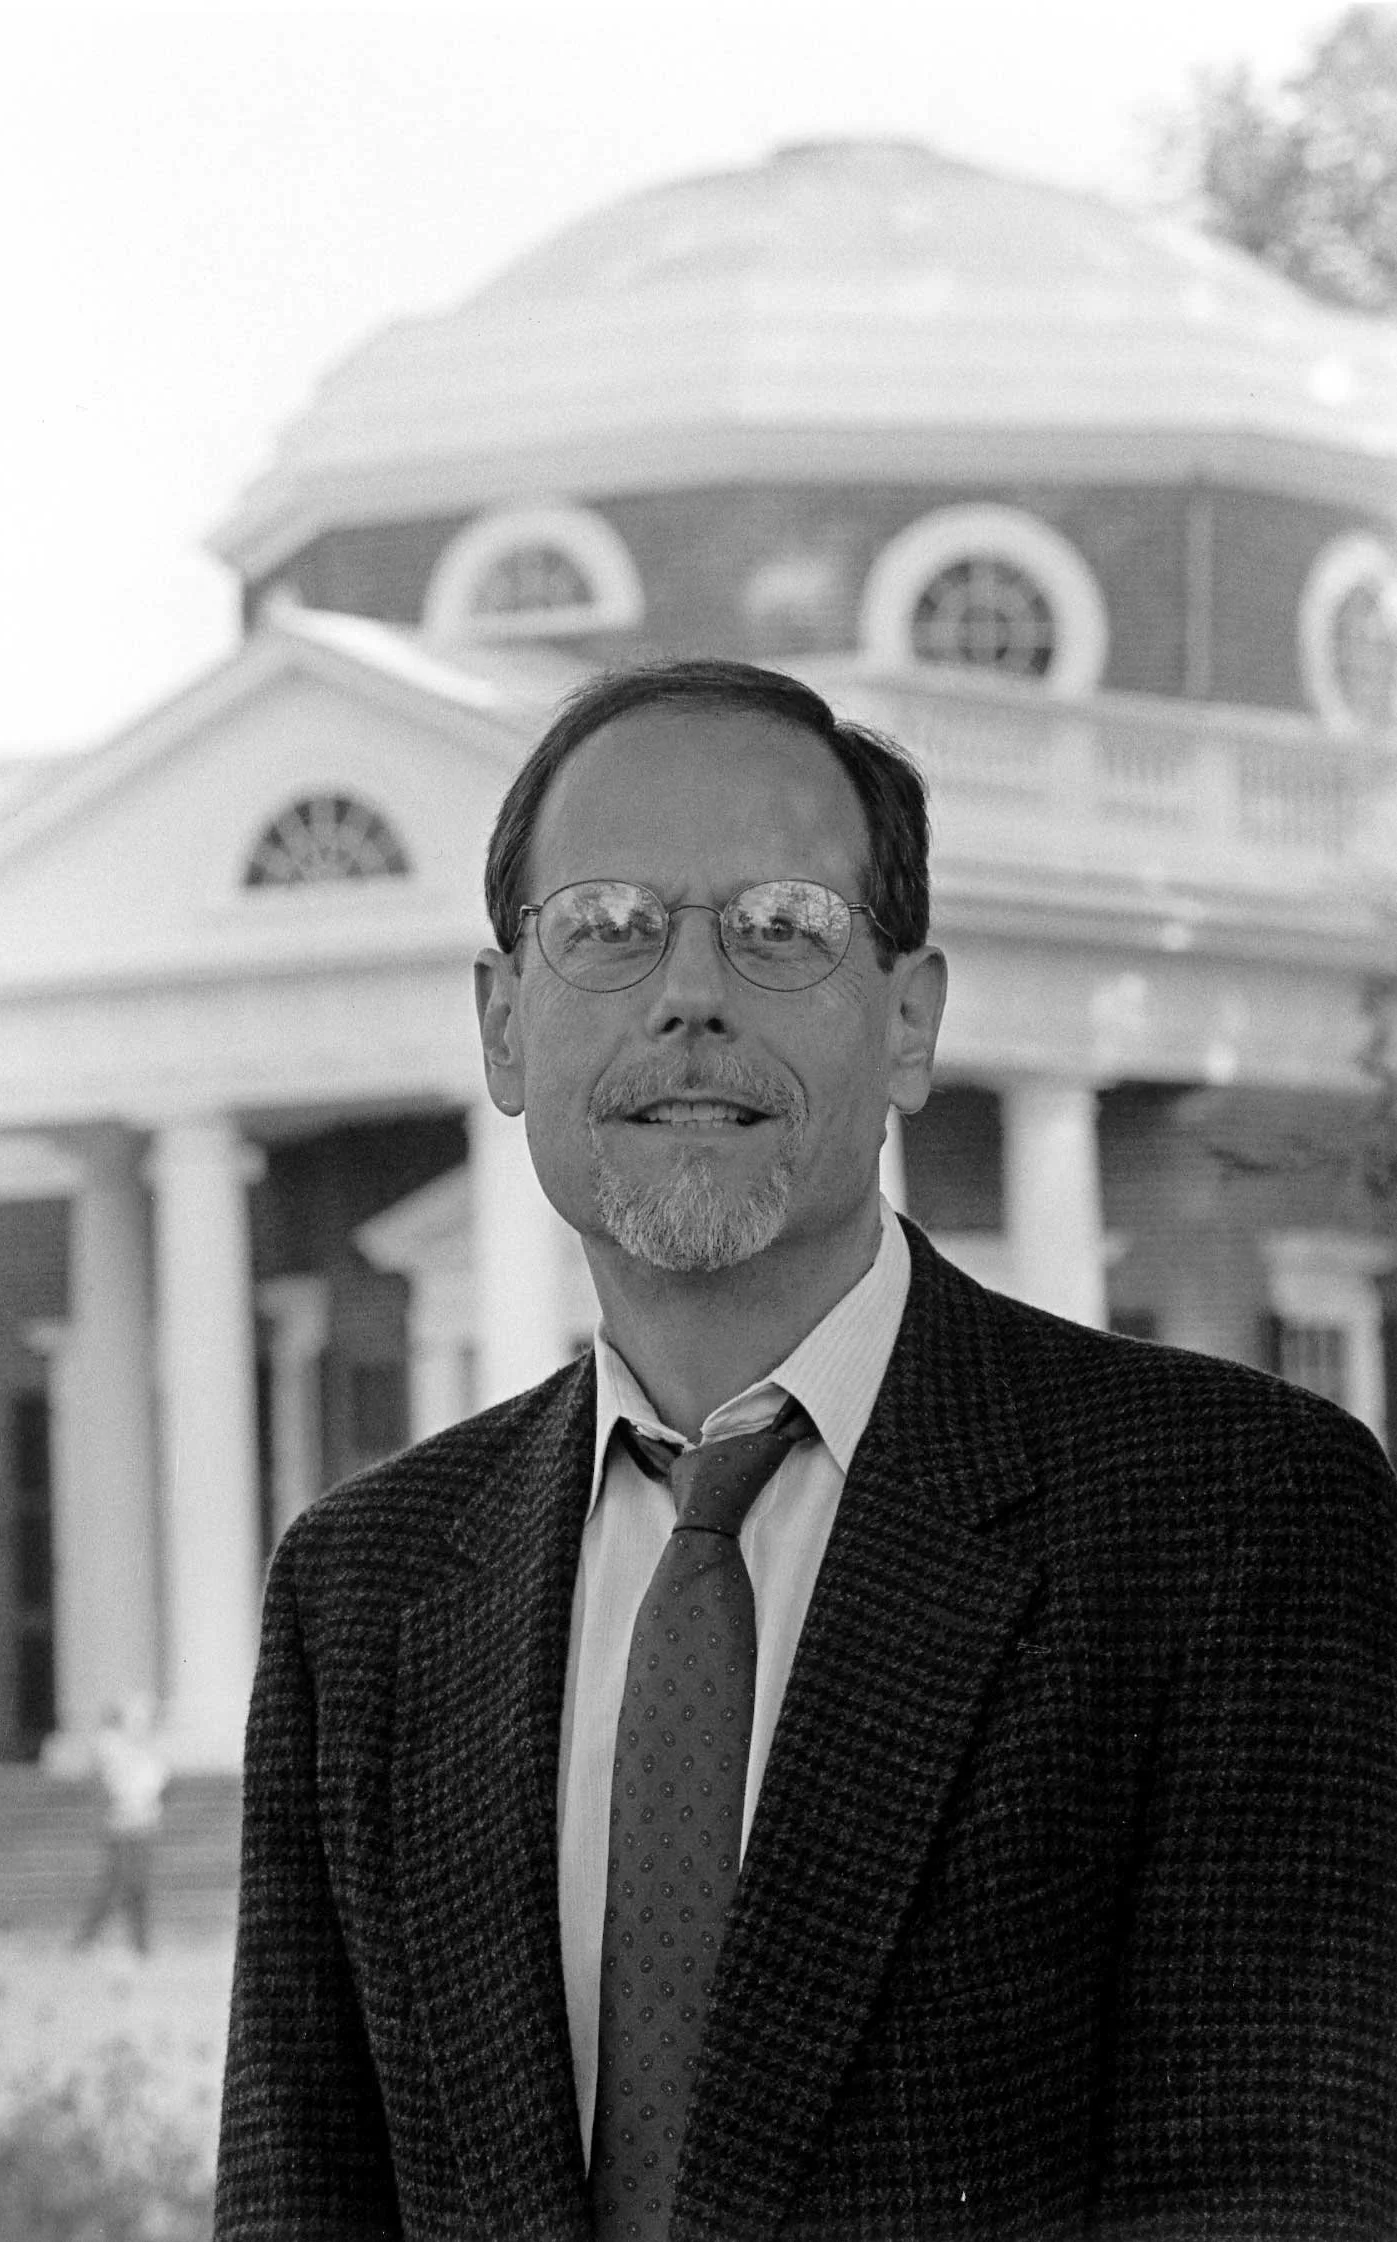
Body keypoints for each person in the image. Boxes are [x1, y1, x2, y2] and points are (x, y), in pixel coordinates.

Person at [215, 659, 1397, 2240]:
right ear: (503, 1028)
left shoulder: (1237, 1521)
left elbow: (1271, 2192)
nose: (687, 991)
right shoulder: (358, 1595)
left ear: (908, 1019)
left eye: (779, 928)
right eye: (606, 927)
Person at [74, 1693, 167, 1957]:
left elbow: (156, 1782)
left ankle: (139, 1944)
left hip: (143, 1822)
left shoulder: (144, 1750)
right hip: (121, 1824)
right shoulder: (110, 1744)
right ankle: (89, 1938)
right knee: (119, 1884)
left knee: (136, 1885)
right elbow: (106, 1780)